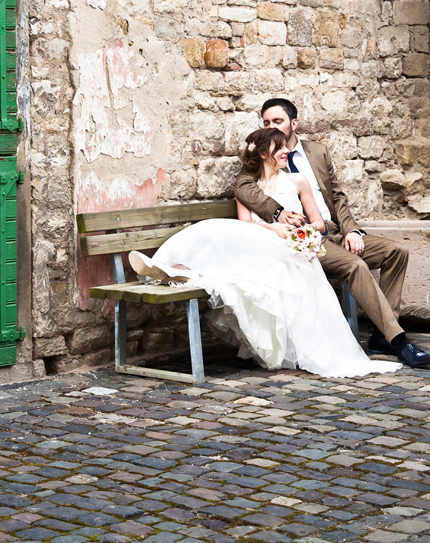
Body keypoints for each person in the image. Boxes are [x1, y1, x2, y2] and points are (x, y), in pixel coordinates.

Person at [130, 127, 398, 379]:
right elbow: (245, 225)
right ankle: (170, 268)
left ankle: (179, 271)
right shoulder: (248, 187)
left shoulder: (297, 180)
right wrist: (274, 229)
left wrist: (299, 232)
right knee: (213, 229)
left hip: (285, 248)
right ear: (261, 154)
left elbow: (317, 222)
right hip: (258, 241)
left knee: (232, 266)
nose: (285, 152)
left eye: (285, 147)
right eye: (279, 148)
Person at [234, 97, 430, 369]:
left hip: (332, 230)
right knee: (354, 265)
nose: (273, 126)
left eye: (278, 121)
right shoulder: (258, 165)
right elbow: (245, 191)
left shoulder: (317, 152)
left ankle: (381, 335)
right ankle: (398, 340)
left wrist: (351, 229)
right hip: (304, 240)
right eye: (267, 123)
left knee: (396, 252)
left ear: (294, 123)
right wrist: (279, 215)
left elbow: (338, 196)